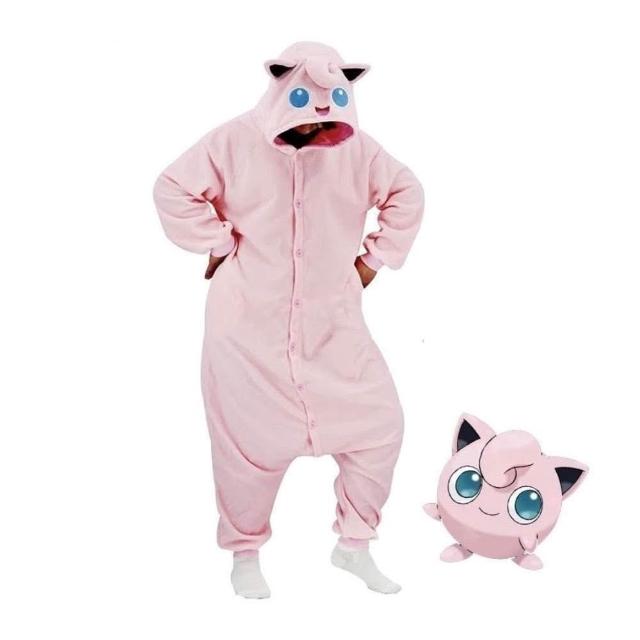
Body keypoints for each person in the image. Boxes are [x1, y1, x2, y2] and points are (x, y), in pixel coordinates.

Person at [154, 42, 424, 598]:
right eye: (303, 113)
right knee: (246, 448)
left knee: (379, 426)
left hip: (332, 324)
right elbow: (172, 188)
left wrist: (374, 260)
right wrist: (219, 241)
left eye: (326, 117)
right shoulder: (233, 141)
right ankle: (245, 554)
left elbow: (407, 191)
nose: (313, 129)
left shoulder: (357, 150)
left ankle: (354, 547)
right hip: (246, 326)